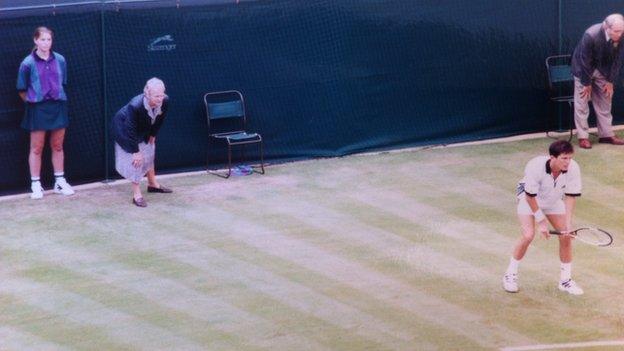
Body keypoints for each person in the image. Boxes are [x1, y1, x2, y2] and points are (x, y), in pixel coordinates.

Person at [503, 140, 583, 295]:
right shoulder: (535, 166)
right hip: (529, 199)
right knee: (528, 235)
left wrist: (568, 224)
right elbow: (530, 197)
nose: (568, 162)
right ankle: (510, 275)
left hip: (553, 200)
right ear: (552, 157)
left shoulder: (573, 168)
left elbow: (570, 197)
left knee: (566, 236)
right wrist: (541, 222)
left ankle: (565, 281)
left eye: (570, 158)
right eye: (564, 158)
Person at [17, 26, 75, 199]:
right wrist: (34, 100)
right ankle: (35, 184)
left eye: (49, 39)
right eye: (42, 39)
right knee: (36, 148)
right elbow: (21, 89)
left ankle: (59, 182)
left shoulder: (61, 60)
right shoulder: (27, 63)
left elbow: (62, 82)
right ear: (35, 40)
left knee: (57, 145)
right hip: (38, 109)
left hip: (58, 106)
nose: (46, 42)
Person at [112, 77, 172, 207]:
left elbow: (160, 119)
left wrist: (153, 134)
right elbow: (130, 129)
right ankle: (137, 194)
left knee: (150, 151)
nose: (160, 99)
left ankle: (152, 184)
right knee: (137, 160)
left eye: (161, 95)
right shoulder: (135, 105)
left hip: (143, 128)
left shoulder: (165, 100)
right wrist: (135, 151)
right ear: (147, 94)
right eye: (156, 96)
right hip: (124, 129)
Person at [571, 13, 624, 149]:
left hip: (603, 69)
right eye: (616, 31)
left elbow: (618, 60)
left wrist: (610, 81)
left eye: (622, 31)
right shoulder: (591, 34)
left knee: (606, 99)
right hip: (583, 69)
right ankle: (583, 137)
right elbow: (584, 60)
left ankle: (606, 135)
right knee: (582, 102)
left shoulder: (622, 35)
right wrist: (586, 83)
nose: (620, 34)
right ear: (606, 27)